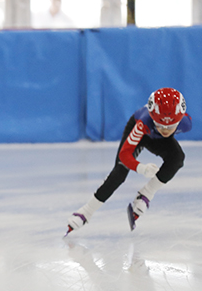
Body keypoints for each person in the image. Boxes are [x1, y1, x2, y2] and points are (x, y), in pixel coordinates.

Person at [66, 88, 192, 235]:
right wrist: (141, 168)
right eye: (159, 124)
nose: (165, 130)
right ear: (152, 117)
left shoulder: (186, 123)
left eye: (170, 126)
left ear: (179, 119)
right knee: (119, 173)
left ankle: (145, 195)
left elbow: (164, 133)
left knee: (177, 158)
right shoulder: (143, 123)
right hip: (142, 132)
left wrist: (159, 128)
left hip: (154, 136)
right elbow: (124, 154)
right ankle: (85, 212)